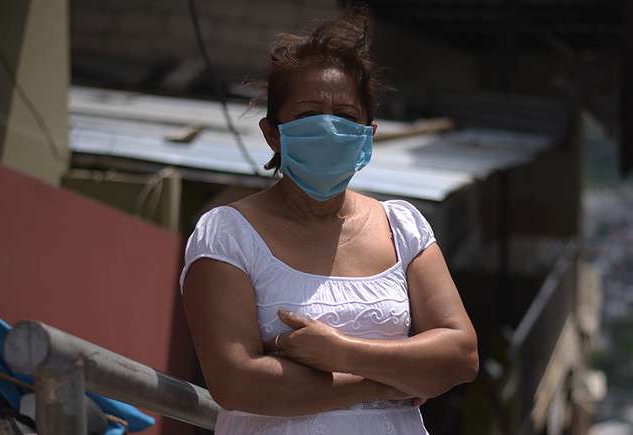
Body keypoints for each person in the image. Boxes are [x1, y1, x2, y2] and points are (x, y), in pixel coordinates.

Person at [179, 9, 478, 435]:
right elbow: (236, 382)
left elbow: (461, 355)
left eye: (346, 117)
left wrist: (342, 352)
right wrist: (381, 381)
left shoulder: (404, 228)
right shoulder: (227, 235)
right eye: (308, 114)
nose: (330, 129)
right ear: (272, 133)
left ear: (367, 136)